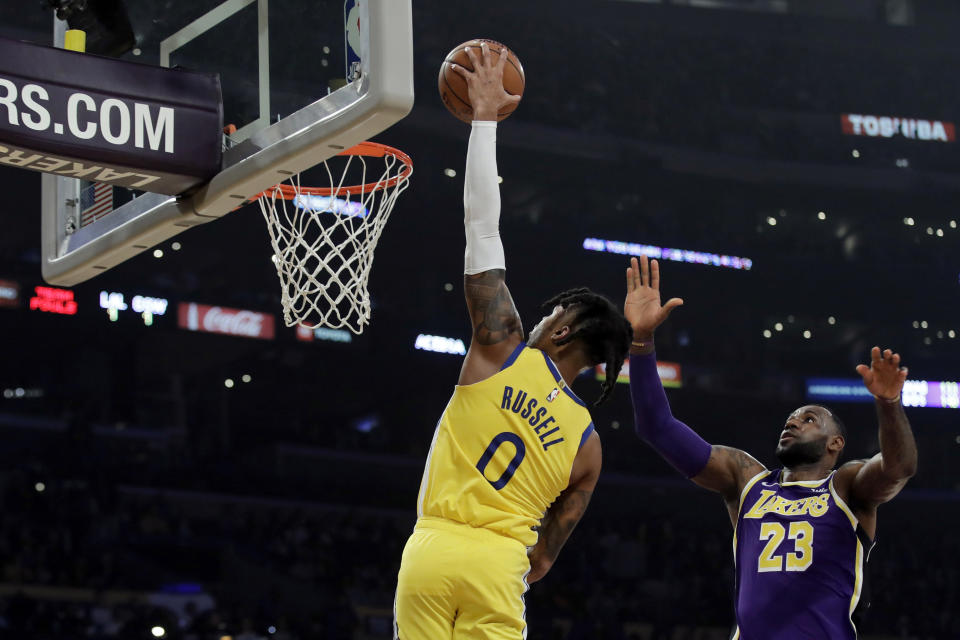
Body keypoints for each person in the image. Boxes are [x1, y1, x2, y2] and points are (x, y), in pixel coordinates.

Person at [393, 42, 633, 640]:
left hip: (435, 547)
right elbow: (546, 554)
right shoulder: (588, 447)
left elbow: (482, 227)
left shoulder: (501, 349)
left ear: (564, 327)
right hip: (502, 563)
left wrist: (483, 122)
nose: (543, 315)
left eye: (554, 310)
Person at [623, 255, 918, 639]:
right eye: (791, 418)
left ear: (836, 443)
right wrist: (641, 342)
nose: (793, 421)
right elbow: (656, 427)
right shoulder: (746, 478)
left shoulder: (846, 487)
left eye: (809, 418)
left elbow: (899, 468)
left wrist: (889, 404)